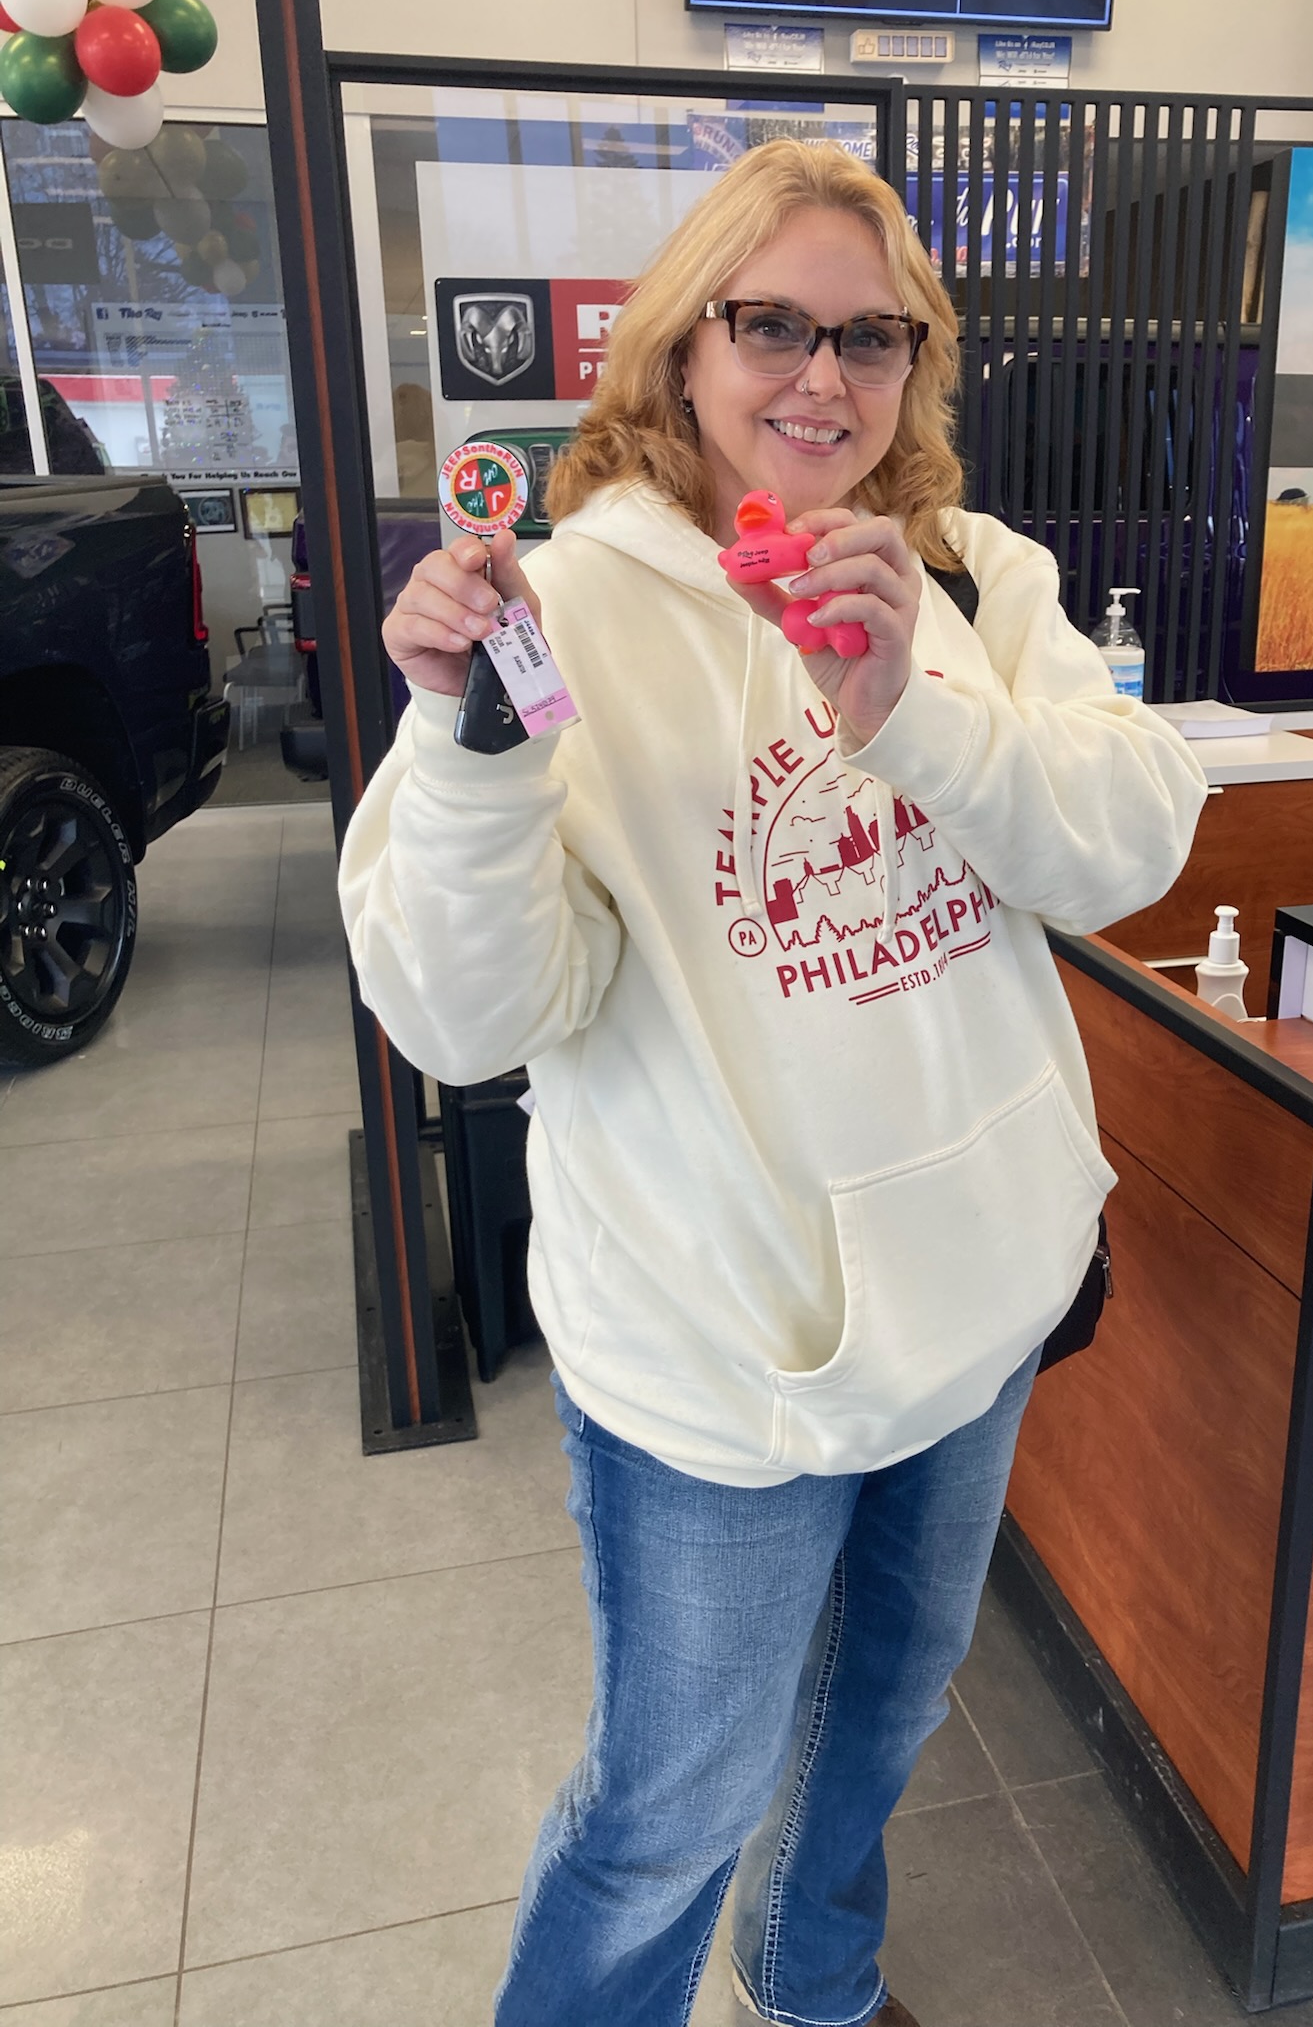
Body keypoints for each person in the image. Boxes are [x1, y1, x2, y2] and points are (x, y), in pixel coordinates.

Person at [340, 138, 1206, 2027]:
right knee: (673, 1804)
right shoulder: (557, 610)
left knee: (888, 1716)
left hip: (973, 1303)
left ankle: (815, 1980)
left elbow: (1132, 842)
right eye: (773, 324)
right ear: (683, 344)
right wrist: (473, 749)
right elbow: (475, 1018)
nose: (823, 377)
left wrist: (926, 710)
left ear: (918, 366)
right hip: (717, 1350)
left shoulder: (979, 577)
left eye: (871, 337)